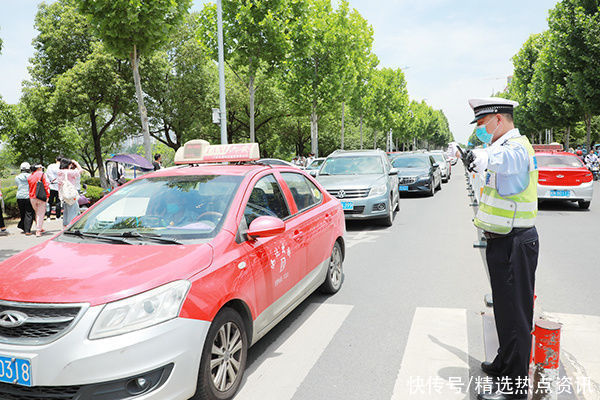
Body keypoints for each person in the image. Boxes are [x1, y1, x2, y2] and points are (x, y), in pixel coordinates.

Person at [464, 98, 539, 400]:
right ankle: (505, 363)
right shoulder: (500, 149)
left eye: (482, 125)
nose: (481, 131)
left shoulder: (517, 147)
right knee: (505, 312)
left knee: (517, 316)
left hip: (516, 243)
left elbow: (508, 161)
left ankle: (515, 388)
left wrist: (483, 158)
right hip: (501, 242)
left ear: (498, 119)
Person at [58, 158, 83, 227]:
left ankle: (65, 225)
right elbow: (81, 170)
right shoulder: (69, 172)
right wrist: (76, 162)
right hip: (70, 193)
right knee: (72, 209)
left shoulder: (60, 172)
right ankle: (71, 226)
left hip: (63, 194)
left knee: (66, 210)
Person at [27, 164, 50, 237]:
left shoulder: (29, 176)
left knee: (37, 213)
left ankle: (39, 227)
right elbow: (46, 186)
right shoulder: (42, 174)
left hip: (32, 197)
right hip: (41, 196)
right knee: (40, 214)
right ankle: (38, 230)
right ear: (38, 168)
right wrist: (47, 195)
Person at [15, 162, 35, 235]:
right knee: (29, 213)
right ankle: (27, 230)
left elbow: (17, 185)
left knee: (22, 213)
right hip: (28, 196)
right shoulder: (31, 176)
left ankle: (23, 226)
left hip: (19, 196)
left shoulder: (17, 177)